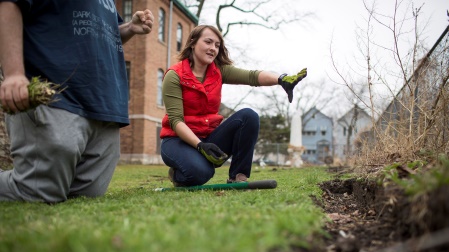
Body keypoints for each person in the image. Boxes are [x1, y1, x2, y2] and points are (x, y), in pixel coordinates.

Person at [0, 1, 154, 203]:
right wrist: (13, 74)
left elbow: (101, 32)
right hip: (56, 93)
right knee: (37, 192)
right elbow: (10, 4)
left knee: (86, 195)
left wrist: (130, 28)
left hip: (105, 106)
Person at [160, 25, 307, 187]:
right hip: (177, 141)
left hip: (208, 139)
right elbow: (176, 121)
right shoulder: (174, 75)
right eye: (208, 42)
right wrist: (200, 146)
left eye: (217, 45)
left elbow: (252, 76)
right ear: (193, 43)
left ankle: (238, 176)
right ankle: (176, 174)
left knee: (249, 116)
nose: (213, 48)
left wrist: (281, 79)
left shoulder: (218, 71)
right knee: (202, 173)